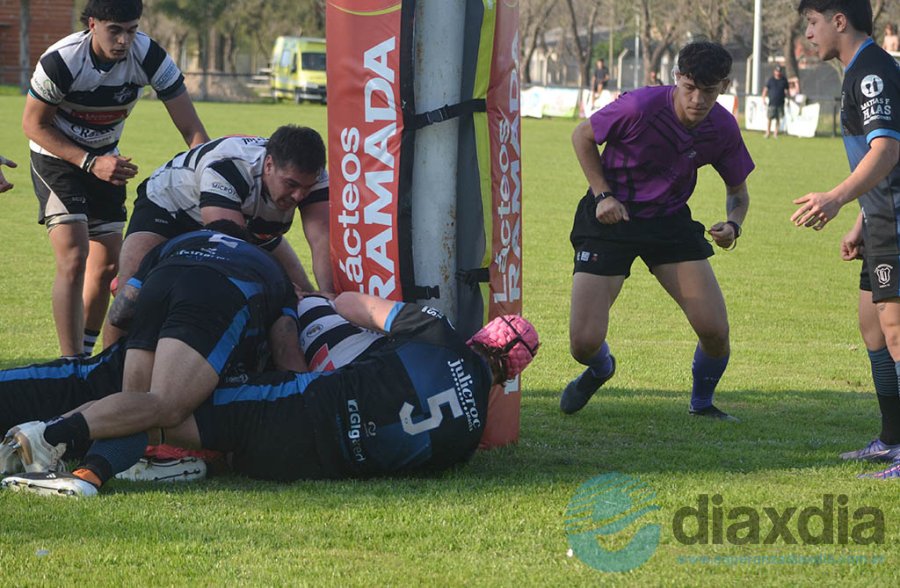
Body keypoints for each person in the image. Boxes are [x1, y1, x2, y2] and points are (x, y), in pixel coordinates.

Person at [0, 294, 539, 495]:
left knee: (165, 406)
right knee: (172, 426)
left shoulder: (436, 329)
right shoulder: (470, 440)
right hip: (314, 466)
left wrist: (319, 310)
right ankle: (94, 472)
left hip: (300, 407)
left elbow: (351, 303)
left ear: (482, 336)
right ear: (507, 376)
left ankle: (51, 438)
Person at [0, 222, 301, 493]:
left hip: (160, 281)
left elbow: (120, 313)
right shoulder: (267, 266)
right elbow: (286, 349)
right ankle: (44, 436)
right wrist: (305, 399)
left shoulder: (178, 243)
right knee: (166, 407)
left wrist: (118, 360)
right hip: (218, 290)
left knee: (135, 405)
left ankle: (85, 474)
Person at [562, 41, 754, 420]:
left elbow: (738, 193)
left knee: (715, 331)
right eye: (690, 88)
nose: (698, 100)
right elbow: (582, 136)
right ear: (676, 78)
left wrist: (734, 225)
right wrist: (603, 195)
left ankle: (701, 404)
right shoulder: (639, 107)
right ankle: (601, 368)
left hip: (668, 222)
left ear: (725, 87)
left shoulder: (722, 127)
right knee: (584, 343)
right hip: (609, 217)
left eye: (710, 91)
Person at [24, 0, 209, 359]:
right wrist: (90, 163)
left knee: (109, 263)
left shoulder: (150, 56)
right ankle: (70, 362)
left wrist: (207, 175)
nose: (124, 40)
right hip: (57, 157)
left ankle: (89, 356)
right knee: (74, 255)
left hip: (107, 157)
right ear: (92, 24)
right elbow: (33, 124)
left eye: (132, 29)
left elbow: (192, 130)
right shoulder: (61, 60)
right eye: (115, 30)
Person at [791, 0, 900, 480]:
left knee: (896, 333)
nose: (808, 35)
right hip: (878, 220)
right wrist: (859, 217)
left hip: (896, 222)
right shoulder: (856, 71)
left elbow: (887, 149)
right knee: (873, 331)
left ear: (839, 21)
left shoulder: (873, 72)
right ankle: (891, 440)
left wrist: (836, 197)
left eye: (812, 23)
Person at [101, 125, 331, 348]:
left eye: (306, 187)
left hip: (248, 221)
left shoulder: (316, 177)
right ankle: (105, 371)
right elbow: (232, 248)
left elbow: (321, 238)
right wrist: (283, 286)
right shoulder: (228, 167)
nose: (299, 195)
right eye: (291, 184)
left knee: (307, 296)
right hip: (171, 207)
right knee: (128, 300)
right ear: (269, 164)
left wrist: (327, 293)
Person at [761, 65, 790, 138]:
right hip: (772, 103)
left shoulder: (784, 80)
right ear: (774, 72)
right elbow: (765, 90)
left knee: (778, 119)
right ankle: (768, 132)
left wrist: (788, 99)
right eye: (777, 71)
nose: (778, 73)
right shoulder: (771, 80)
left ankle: (775, 133)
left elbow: (786, 91)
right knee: (769, 118)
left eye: (779, 71)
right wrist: (763, 98)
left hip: (780, 103)